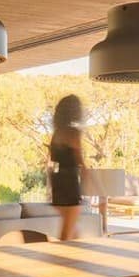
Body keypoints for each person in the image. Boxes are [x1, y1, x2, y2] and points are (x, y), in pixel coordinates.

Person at [49, 94, 86, 240]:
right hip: (70, 181)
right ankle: (61, 259)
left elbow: (52, 159)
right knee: (67, 231)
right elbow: (80, 161)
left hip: (58, 180)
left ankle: (78, 257)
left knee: (72, 228)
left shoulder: (56, 133)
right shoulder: (73, 133)